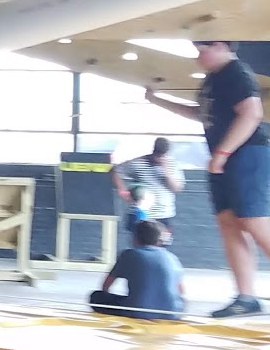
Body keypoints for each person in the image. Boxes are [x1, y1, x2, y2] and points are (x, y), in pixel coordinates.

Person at [148, 40, 270, 317]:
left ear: (221, 46)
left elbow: (252, 114)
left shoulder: (236, 72)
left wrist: (223, 153)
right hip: (225, 154)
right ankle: (246, 297)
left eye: (203, 50)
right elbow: (200, 113)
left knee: (253, 221)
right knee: (228, 222)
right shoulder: (212, 80)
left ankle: (247, 296)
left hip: (248, 152)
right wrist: (157, 100)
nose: (198, 57)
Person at [91, 220, 186, 322]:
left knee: (97, 296)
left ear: (134, 238)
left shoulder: (129, 254)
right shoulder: (172, 257)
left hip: (138, 312)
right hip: (173, 313)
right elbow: (181, 291)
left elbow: (106, 285)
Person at [112, 137, 182, 242]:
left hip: (163, 214)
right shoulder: (138, 162)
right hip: (141, 214)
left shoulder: (172, 164)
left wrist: (166, 172)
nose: (158, 159)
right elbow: (115, 171)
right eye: (157, 155)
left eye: (162, 156)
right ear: (153, 151)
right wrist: (123, 191)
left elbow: (177, 188)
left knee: (162, 245)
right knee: (139, 245)